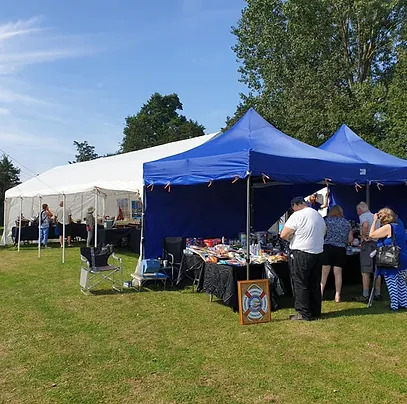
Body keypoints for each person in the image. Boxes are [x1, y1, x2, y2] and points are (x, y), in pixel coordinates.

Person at [281, 196, 326, 321]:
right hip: (317, 252)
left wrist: (292, 236)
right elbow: (324, 232)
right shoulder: (318, 215)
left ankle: (303, 313)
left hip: (301, 252)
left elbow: (283, 234)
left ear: (296, 205)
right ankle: (315, 311)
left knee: (300, 283)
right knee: (314, 283)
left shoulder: (297, 215)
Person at [369, 208, 407, 310]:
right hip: (403, 256)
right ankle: (404, 303)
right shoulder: (399, 226)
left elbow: (372, 235)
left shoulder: (388, 227)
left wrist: (374, 221)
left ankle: (394, 305)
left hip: (391, 257)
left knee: (391, 280)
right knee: (401, 281)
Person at [320, 205, 353, 303]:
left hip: (327, 248)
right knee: (338, 274)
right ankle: (337, 295)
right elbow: (350, 239)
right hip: (340, 249)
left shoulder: (326, 221)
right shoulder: (346, 223)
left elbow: (321, 234)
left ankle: (320, 293)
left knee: (324, 274)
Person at [355, 201, 381, 302]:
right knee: (376, 270)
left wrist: (363, 236)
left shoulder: (363, 216)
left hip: (368, 245)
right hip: (377, 243)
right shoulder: (375, 217)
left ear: (360, 210)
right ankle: (377, 293)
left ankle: (365, 295)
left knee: (365, 271)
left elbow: (365, 225)